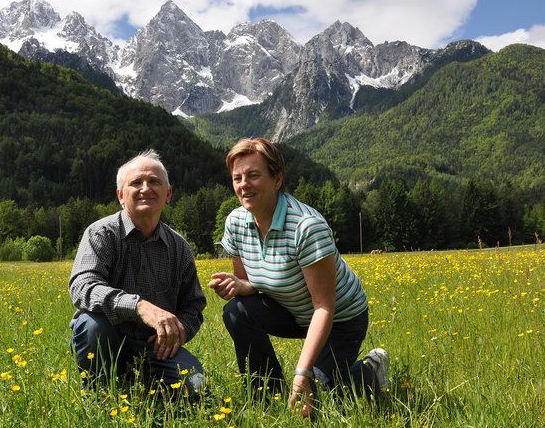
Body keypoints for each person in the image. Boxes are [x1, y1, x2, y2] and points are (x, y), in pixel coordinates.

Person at [208, 138, 389, 417]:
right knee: (236, 311)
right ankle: (268, 396)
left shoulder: (306, 227)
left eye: (254, 175)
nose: (244, 184)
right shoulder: (235, 222)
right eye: (237, 177)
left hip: (340, 319)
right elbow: (249, 284)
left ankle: (371, 370)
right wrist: (240, 286)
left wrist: (302, 372)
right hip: (292, 310)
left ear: (277, 179)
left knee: (322, 401)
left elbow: (324, 307)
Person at [69, 149, 206, 398]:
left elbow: (194, 306)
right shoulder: (101, 234)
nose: (145, 188)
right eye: (136, 183)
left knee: (196, 386)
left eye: (154, 181)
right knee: (91, 324)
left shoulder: (179, 248)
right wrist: (139, 307)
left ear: (168, 194)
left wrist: (180, 332)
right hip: (106, 339)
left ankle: (143, 380)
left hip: (154, 349)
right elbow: (83, 286)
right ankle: (98, 395)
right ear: (121, 195)